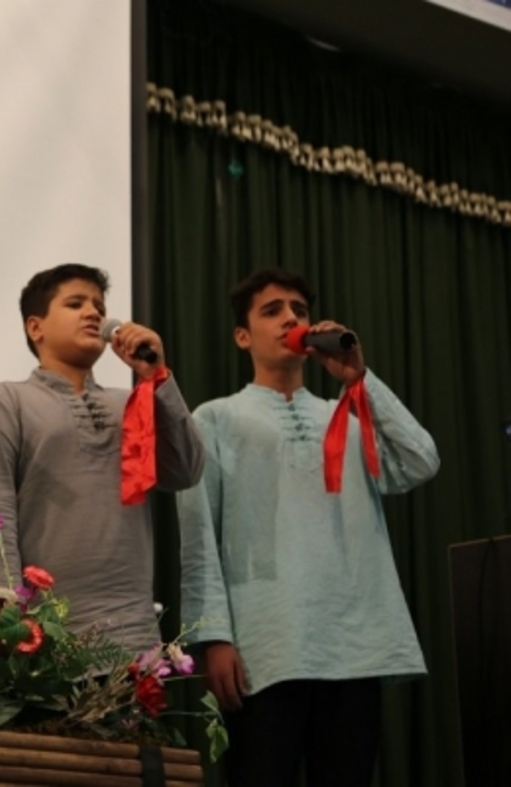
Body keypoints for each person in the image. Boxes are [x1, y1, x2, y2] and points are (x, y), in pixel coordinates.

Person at [177, 268, 439, 787]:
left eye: (299, 310)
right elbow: (199, 536)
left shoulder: (347, 419)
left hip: (353, 648)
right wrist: (213, 637)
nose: (291, 319)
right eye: (272, 310)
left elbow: (420, 461)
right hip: (264, 647)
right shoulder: (214, 419)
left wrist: (359, 381)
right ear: (243, 336)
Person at [0, 263, 204, 652]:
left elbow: (185, 471)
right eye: (76, 304)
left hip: (135, 635)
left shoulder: (130, 403)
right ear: (35, 327)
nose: (94, 313)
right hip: (45, 634)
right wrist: (6, 620)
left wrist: (156, 376)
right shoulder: (8, 401)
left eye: (99, 306)